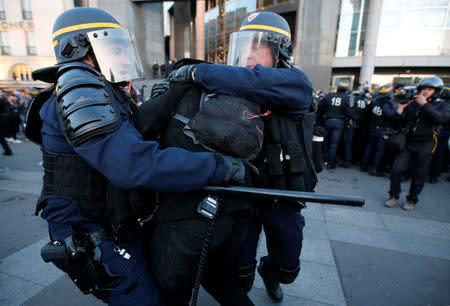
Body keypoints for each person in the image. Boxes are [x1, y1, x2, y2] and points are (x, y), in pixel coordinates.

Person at [25, 7, 247, 306]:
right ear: (79, 47)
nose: (124, 59)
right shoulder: (79, 87)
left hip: (113, 218)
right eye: (115, 49)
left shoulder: (102, 87)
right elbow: (133, 163)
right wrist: (218, 167)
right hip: (88, 230)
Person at [137, 11, 315, 304]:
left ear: (280, 50)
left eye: (258, 47)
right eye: (245, 47)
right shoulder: (232, 83)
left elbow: (261, 83)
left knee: (287, 266)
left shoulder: (294, 84)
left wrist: (197, 72)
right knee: (239, 273)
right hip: (243, 193)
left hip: (282, 193)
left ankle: (270, 273)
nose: (249, 55)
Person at [386, 77, 450, 210]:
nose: (426, 92)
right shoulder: (414, 103)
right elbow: (398, 121)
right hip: (409, 142)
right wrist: (401, 108)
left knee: (419, 174)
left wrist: (425, 105)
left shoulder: (441, 104)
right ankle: (394, 196)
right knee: (396, 169)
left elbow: (442, 119)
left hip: (426, 143)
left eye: (430, 89)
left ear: (436, 91)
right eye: (423, 89)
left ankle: (412, 200)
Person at [360, 85, 397, 176]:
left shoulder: (374, 102)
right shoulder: (388, 104)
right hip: (383, 130)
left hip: (373, 128)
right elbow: (392, 116)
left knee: (369, 147)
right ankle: (374, 168)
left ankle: (364, 165)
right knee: (379, 150)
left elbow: (367, 114)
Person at [317, 80, 354, 169]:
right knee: (334, 143)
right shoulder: (347, 98)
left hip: (328, 120)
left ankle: (321, 159)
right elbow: (350, 112)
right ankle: (330, 162)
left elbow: (320, 107)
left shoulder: (329, 96)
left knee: (325, 141)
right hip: (339, 122)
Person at [0, 89, 13, 155]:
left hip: (2, 120)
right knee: (1, 138)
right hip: (3, 120)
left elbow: (6, 112)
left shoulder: (3, 100)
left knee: (1, 138)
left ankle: (8, 150)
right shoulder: (4, 100)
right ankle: (8, 150)